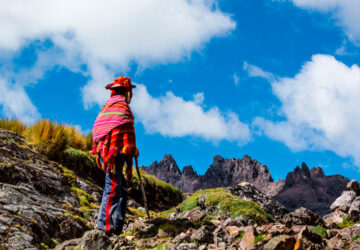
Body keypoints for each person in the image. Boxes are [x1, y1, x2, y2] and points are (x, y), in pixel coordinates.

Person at [91, 76, 138, 235]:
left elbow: (99, 128)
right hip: (113, 152)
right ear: (126, 91)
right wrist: (128, 147)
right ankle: (104, 227)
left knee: (121, 186)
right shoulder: (122, 106)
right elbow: (124, 127)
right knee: (112, 187)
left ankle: (116, 225)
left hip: (109, 150)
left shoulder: (107, 106)